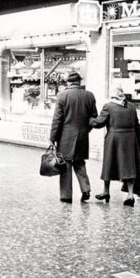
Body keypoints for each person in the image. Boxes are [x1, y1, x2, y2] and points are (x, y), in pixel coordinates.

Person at [49, 72, 97, 203]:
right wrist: (86, 130)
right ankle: (86, 189)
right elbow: (94, 117)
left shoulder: (62, 95)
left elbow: (57, 119)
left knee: (65, 165)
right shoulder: (89, 95)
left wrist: (52, 137)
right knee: (80, 163)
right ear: (79, 82)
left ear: (68, 82)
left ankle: (66, 195)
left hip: (65, 136)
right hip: (82, 135)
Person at [90, 86, 140, 207]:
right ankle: (130, 195)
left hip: (114, 138)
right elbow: (136, 124)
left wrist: (89, 121)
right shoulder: (132, 106)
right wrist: (138, 140)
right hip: (130, 138)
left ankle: (106, 191)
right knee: (129, 166)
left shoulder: (109, 106)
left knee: (109, 164)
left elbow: (99, 123)